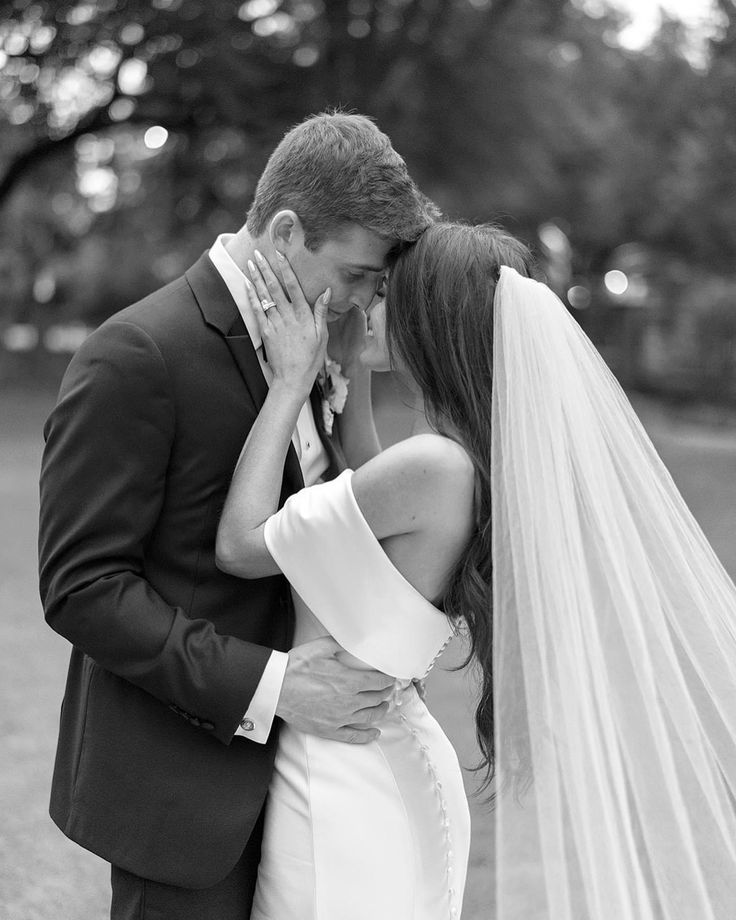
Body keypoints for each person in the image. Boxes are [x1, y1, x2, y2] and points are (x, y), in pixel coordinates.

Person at [217, 221, 736, 920]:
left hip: (346, 784)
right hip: (375, 753)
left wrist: (290, 383)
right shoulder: (460, 456)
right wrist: (352, 376)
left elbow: (242, 545)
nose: (364, 307)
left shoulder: (430, 467)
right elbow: (368, 500)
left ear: (425, 318)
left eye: (384, 296)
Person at [38, 112, 438, 920]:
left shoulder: (323, 342)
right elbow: (83, 589)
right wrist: (275, 686)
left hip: (316, 787)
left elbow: (343, 519)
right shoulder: (137, 355)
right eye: (358, 273)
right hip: (186, 790)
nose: (366, 300)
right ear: (287, 231)